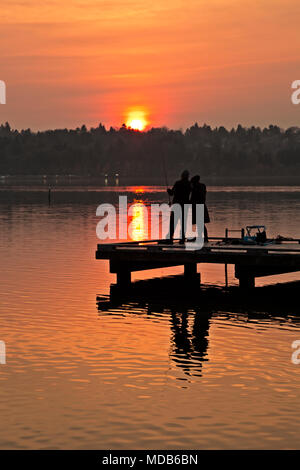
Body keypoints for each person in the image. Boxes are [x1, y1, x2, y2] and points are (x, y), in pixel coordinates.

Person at [167, 170, 191, 244]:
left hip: (176, 205)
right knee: (183, 223)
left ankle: (170, 238)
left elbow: (172, 193)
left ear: (182, 176)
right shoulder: (189, 184)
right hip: (185, 205)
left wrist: (168, 191)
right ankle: (182, 238)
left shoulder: (178, 183)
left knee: (173, 222)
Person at [190, 175, 210, 243]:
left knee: (200, 223)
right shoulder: (202, 186)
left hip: (197, 206)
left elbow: (193, 198)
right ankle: (203, 237)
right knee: (200, 223)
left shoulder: (196, 187)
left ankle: (204, 238)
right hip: (201, 205)